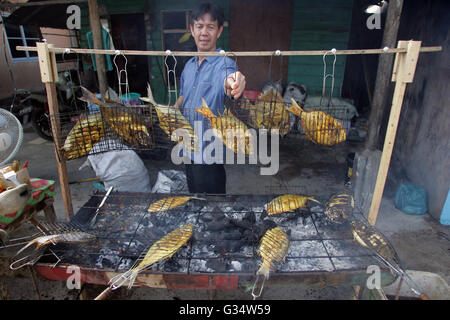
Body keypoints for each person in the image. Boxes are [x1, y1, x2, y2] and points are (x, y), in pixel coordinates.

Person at [172, 2, 246, 194]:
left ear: (219, 31)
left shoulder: (224, 63)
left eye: (210, 27)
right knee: (195, 201)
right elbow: (183, 95)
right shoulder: (188, 66)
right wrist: (174, 108)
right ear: (192, 29)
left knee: (214, 209)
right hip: (187, 149)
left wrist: (235, 82)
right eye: (199, 26)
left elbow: (229, 80)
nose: (204, 32)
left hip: (209, 154)